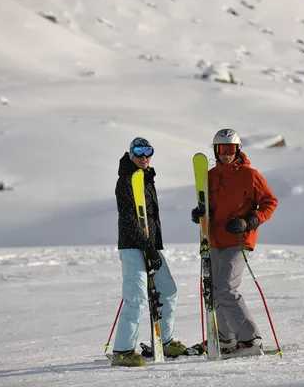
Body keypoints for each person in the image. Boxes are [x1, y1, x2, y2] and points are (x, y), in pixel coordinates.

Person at [191, 129, 278, 358]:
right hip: (216, 240)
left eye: (230, 149)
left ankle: (249, 339)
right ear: (215, 151)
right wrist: (200, 213)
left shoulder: (250, 175)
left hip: (239, 241)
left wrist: (249, 221)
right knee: (215, 289)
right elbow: (207, 206)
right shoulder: (210, 176)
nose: (226, 154)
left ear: (238, 150)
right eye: (221, 150)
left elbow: (270, 202)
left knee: (227, 288)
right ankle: (226, 339)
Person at [111, 137, 187, 367]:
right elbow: (128, 219)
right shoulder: (124, 180)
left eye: (148, 151)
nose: (144, 156)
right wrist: (147, 247)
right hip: (134, 247)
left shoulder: (146, 179)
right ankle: (122, 351)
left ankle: (163, 340)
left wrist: (154, 247)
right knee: (136, 299)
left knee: (169, 291)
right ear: (130, 153)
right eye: (139, 151)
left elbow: (149, 218)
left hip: (151, 247)